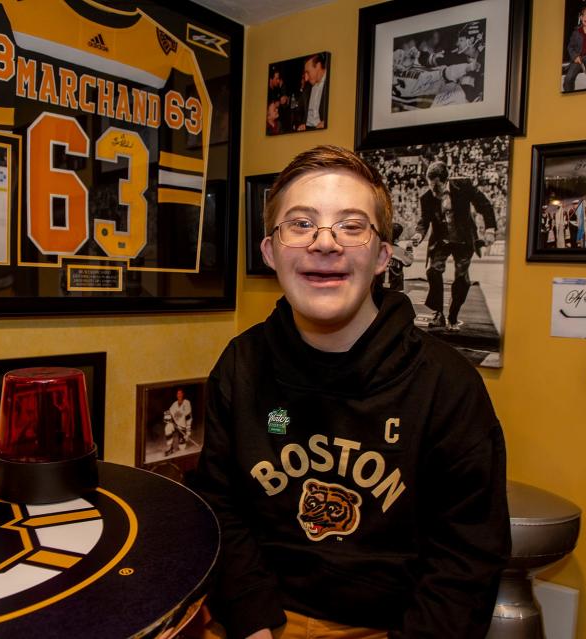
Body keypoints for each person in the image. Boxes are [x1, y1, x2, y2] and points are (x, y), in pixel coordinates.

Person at [193, 145, 510, 639]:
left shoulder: (448, 384)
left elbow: (466, 559)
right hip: (256, 616)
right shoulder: (240, 364)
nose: (325, 242)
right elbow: (219, 506)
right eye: (300, 223)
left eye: (352, 225)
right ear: (270, 251)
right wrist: (252, 621)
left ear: (382, 254)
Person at [413, 160, 497, 331]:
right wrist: (418, 234)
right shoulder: (426, 197)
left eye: (438, 189)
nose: (434, 193)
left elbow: (485, 205)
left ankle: (453, 316)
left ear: (446, 181)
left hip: (464, 239)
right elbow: (424, 221)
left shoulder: (464, 186)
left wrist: (490, 229)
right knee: (432, 271)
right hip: (441, 240)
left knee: (461, 279)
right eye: (431, 188)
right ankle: (438, 313)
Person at [563, 4, 586, 91]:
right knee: (568, 78)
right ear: (581, 17)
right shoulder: (576, 32)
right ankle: (569, 96)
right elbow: (570, 46)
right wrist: (575, 56)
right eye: (585, 15)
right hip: (578, 57)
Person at [297, 54, 327, 131]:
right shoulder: (307, 87)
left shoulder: (333, 82)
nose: (306, 78)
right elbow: (299, 111)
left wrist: (327, 122)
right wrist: (302, 124)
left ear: (318, 66)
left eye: (308, 72)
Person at [384, 222, 414, 292]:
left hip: (379, 287)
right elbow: (409, 262)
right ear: (398, 238)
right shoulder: (400, 251)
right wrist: (409, 250)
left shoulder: (378, 249)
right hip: (396, 288)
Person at [168, 388, 193, 453]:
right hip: (175, 425)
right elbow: (168, 412)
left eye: (180, 393)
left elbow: (188, 417)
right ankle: (170, 447)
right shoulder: (174, 404)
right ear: (176, 395)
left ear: (183, 394)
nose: (179, 395)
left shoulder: (187, 403)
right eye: (178, 393)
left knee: (182, 448)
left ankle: (182, 441)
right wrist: (167, 416)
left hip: (183, 427)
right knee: (167, 428)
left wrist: (188, 432)